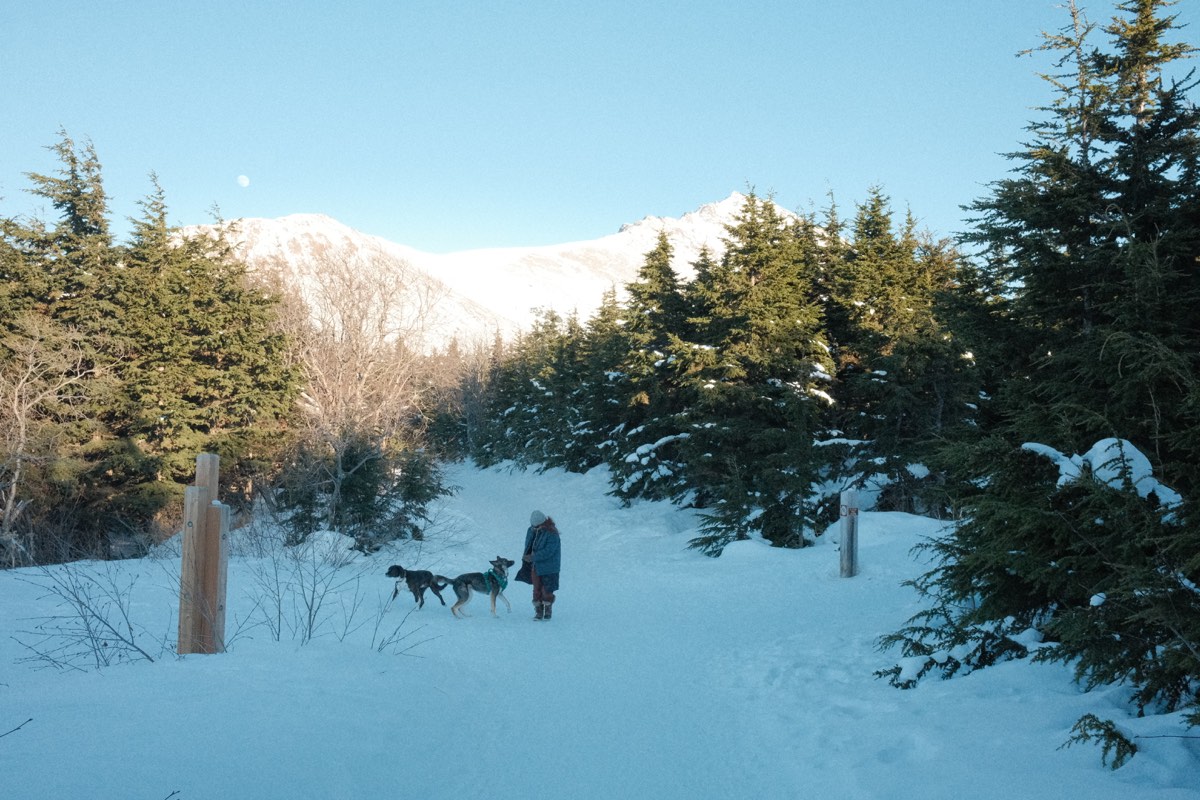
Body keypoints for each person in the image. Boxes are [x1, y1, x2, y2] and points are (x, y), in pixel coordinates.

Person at [523, 510, 561, 620]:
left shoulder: (552, 533)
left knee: (547, 590)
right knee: (536, 589)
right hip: (536, 566)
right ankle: (538, 611)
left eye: (537, 526)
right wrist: (526, 557)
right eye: (533, 526)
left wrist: (533, 557)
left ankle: (548, 609)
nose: (534, 528)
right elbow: (528, 544)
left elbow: (549, 551)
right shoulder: (531, 530)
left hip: (550, 567)